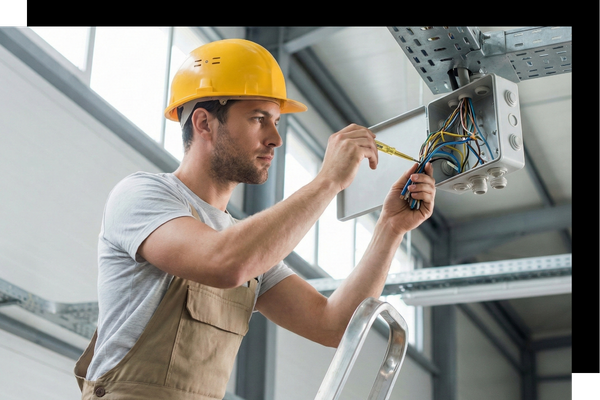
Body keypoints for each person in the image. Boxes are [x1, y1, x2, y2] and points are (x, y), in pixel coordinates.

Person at [74, 38, 436, 400]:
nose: (276, 138)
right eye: (259, 119)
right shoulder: (141, 196)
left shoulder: (249, 248)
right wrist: (327, 181)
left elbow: (335, 325)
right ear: (204, 123)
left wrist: (390, 228)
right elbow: (223, 262)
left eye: (276, 122)